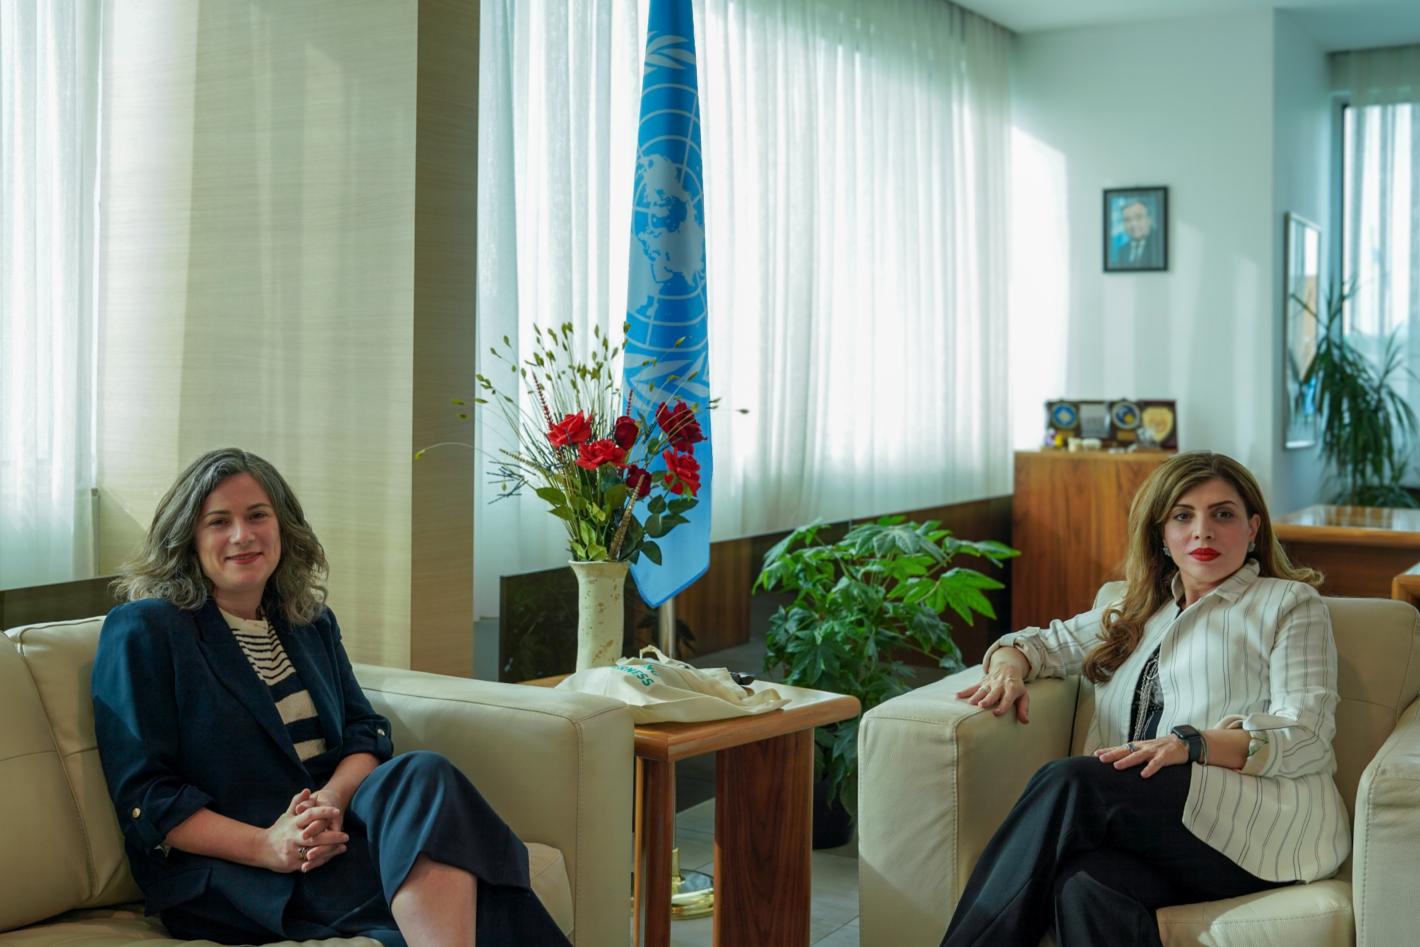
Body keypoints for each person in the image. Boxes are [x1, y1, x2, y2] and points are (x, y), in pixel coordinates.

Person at [92, 448, 570, 946]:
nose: (242, 535)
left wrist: (330, 800)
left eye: (257, 515)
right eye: (218, 522)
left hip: (334, 837)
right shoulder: (145, 628)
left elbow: (365, 731)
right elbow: (147, 796)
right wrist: (269, 845)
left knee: (424, 773)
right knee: (484, 891)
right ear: (187, 538)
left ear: (283, 526)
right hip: (240, 869)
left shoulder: (308, 621)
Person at [940, 451, 1347, 947]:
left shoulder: (1289, 604)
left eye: (1222, 514)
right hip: (1159, 830)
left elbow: (1307, 735)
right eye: (1183, 516)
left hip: (1258, 827)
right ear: (1162, 534)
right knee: (1084, 885)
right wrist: (1008, 667)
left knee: (1072, 781)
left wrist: (1191, 744)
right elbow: (1039, 644)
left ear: (1252, 528)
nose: (1202, 532)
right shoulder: (1136, 609)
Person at [1110, 197, 1163, 268]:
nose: (1133, 224)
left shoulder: (1159, 245)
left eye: (1139, 217)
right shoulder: (1122, 250)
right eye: (1127, 220)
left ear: (1149, 219)